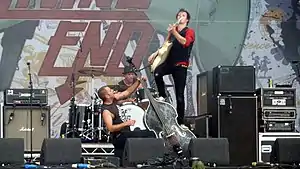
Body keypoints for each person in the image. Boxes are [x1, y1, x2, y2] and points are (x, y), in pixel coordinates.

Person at [148, 8, 195, 129]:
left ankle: (181, 121)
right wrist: (155, 54)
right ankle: (162, 95)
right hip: (169, 62)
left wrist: (174, 32)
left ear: (187, 19)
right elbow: (165, 46)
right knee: (157, 72)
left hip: (181, 65)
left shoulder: (189, 31)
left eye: (183, 15)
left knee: (179, 95)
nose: (180, 17)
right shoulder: (173, 32)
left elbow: (185, 42)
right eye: (179, 15)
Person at [98, 78, 155, 163]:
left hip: (126, 132)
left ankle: (145, 159)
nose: (113, 91)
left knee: (148, 133)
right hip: (120, 136)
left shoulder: (113, 100)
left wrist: (138, 81)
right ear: (107, 96)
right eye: (110, 90)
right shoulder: (106, 111)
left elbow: (127, 92)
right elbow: (110, 128)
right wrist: (126, 124)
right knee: (150, 134)